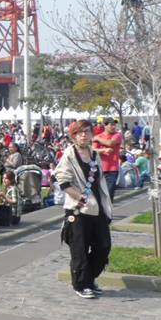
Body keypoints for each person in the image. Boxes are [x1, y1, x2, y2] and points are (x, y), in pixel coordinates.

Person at [54, 119, 112, 299]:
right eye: (80, 132)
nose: (84, 135)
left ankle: (90, 277)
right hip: (78, 209)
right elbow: (63, 180)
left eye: (87, 131)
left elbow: (100, 180)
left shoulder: (94, 154)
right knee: (79, 248)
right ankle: (80, 283)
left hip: (97, 207)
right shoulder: (69, 155)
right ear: (73, 136)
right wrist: (79, 196)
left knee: (103, 245)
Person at [93, 118, 123, 201]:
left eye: (114, 124)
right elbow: (93, 150)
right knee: (99, 194)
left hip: (112, 170)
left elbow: (110, 143)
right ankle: (101, 213)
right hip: (99, 169)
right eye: (111, 125)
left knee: (109, 194)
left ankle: (108, 212)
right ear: (105, 125)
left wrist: (98, 139)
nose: (113, 127)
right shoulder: (99, 136)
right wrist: (103, 150)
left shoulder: (117, 135)